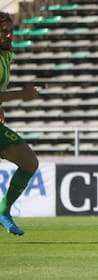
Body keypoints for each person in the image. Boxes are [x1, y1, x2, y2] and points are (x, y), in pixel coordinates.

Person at [0, 12, 39, 235]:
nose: (8, 35)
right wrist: (20, 94)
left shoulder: (6, 55)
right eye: (3, 32)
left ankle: (3, 210)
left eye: (10, 31)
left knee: (29, 162)